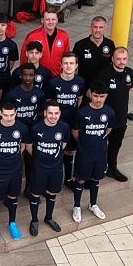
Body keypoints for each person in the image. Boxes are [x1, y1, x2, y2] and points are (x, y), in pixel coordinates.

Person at [71, 80, 113, 223]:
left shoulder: (109, 112)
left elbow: (109, 128)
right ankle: (76, 206)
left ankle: (93, 204)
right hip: (84, 153)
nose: (98, 99)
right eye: (95, 96)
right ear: (90, 94)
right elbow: (75, 131)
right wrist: (85, 142)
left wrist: (99, 140)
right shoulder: (82, 112)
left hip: (100, 153)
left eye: (101, 96)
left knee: (96, 178)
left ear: (106, 96)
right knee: (81, 179)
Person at [0, 102, 29, 242]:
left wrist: (13, 157)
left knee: (13, 196)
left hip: (15, 169)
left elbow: (22, 146)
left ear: (16, 113)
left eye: (11, 115)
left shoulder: (22, 128)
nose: (9, 118)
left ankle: (12, 223)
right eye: (5, 115)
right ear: (0, 114)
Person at [27, 100, 69, 236]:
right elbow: (29, 146)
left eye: (56, 113)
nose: (53, 116)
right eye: (50, 113)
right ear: (45, 113)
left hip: (56, 168)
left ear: (60, 114)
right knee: (35, 194)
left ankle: (49, 218)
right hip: (39, 168)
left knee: (52, 193)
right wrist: (39, 157)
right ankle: (34, 220)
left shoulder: (64, 127)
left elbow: (63, 143)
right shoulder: (36, 128)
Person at [93, 46, 133, 182]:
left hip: (121, 118)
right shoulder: (104, 74)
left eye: (124, 59)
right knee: (99, 147)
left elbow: (129, 87)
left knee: (115, 146)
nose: (121, 62)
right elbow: (94, 94)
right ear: (112, 59)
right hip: (105, 119)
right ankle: (95, 171)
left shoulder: (130, 73)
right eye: (118, 59)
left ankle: (112, 169)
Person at [4, 63, 45, 196]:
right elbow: (6, 112)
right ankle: (10, 191)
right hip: (15, 133)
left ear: (35, 76)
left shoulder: (39, 93)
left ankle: (29, 188)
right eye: (25, 75)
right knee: (14, 162)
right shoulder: (12, 94)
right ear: (21, 76)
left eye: (31, 75)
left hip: (32, 133)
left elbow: (41, 111)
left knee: (30, 162)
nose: (28, 78)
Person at [45, 52, 85, 186]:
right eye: (66, 63)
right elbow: (49, 103)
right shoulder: (53, 83)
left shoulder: (80, 82)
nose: (68, 66)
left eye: (71, 63)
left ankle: (68, 179)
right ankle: (50, 181)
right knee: (55, 151)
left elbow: (79, 99)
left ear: (76, 65)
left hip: (72, 122)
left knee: (69, 151)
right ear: (61, 65)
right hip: (56, 123)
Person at [20, 10, 70, 77]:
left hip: (57, 76)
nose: (50, 22)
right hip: (38, 76)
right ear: (42, 20)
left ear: (57, 20)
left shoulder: (64, 36)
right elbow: (24, 58)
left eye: (53, 19)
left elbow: (67, 58)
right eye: (47, 19)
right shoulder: (32, 36)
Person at [72, 16, 115, 89]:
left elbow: (113, 64)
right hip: (84, 86)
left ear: (105, 29)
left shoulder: (110, 44)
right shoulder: (80, 45)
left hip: (103, 87)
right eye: (95, 27)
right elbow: (73, 66)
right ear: (91, 28)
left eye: (101, 27)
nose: (97, 30)